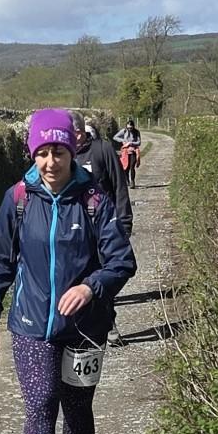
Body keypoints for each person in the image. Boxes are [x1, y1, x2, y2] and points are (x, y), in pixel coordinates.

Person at [0, 108, 137, 434]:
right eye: (42, 153)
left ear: (72, 151)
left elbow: (122, 262)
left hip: (85, 327)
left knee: (78, 407)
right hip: (32, 324)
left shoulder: (94, 200)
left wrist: (90, 286)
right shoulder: (18, 199)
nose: (50, 162)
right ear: (33, 153)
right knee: (41, 406)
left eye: (59, 152)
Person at [68, 110, 133, 346]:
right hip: (73, 232)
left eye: (68, 133)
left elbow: (119, 186)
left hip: (104, 228)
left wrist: (124, 221)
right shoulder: (63, 154)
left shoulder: (102, 150)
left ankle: (110, 325)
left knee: (103, 276)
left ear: (79, 132)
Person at [113, 119, 142, 188]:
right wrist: (123, 140)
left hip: (133, 151)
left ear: (133, 127)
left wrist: (131, 143)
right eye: (128, 128)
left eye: (130, 128)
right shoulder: (124, 131)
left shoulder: (136, 132)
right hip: (125, 152)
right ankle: (127, 180)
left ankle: (132, 181)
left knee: (132, 167)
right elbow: (115, 137)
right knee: (126, 167)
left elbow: (139, 142)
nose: (129, 129)